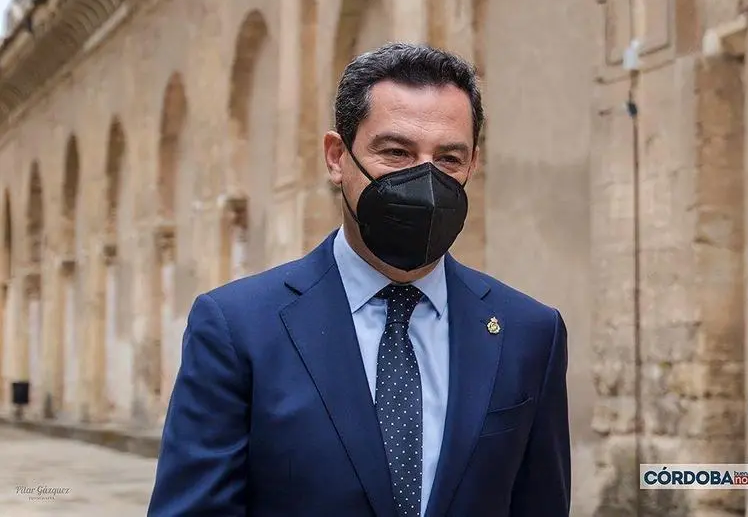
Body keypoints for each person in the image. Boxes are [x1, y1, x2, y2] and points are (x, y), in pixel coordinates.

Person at [147, 42, 571, 517]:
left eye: (449, 159)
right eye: (396, 152)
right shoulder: (237, 328)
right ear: (336, 158)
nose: (425, 180)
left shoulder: (530, 333)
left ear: (472, 163)